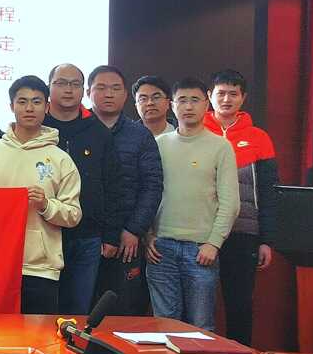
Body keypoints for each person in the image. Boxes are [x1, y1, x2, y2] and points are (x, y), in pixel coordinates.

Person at [0, 75, 82, 314]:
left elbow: (73, 215)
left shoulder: (61, 159)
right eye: (22, 101)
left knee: (37, 332)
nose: (29, 108)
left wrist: (46, 205)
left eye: (36, 102)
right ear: (11, 106)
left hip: (41, 267)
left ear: (47, 107)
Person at [145, 77, 239, 331]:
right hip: (161, 248)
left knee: (201, 327)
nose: (188, 106)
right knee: (164, 325)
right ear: (172, 105)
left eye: (195, 100)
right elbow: (148, 193)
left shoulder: (221, 147)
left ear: (206, 104)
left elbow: (230, 202)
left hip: (201, 250)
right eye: (182, 100)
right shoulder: (158, 144)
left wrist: (214, 243)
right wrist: (148, 234)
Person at [204, 68, 279, 346]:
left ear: (243, 98)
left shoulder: (259, 137)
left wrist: (266, 240)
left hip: (243, 232)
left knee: (239, 304)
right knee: (201, 305)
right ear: (209, 96)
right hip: (201, 232)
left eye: (233, 94)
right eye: (221, 93)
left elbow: (268, 193)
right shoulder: (196, 131)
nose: (226, 99)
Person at [44, 64, 123, 315]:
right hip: (43, 234)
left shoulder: (98, 131)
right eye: (61, 83)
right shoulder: (36, 127)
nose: (68, 90)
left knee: (78, 311)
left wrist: (111, 235)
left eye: (75, 84)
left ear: (83, 90)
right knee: (42, 310)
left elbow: (113, 185)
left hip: (87, 236)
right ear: (49, 87)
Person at [87, 65, 163, 316]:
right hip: (82, 235)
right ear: (88, 92)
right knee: (79, 307)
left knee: (124, 310)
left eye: (115, 88)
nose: (108, 94)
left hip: (126, 237)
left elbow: (152, 185)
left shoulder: (140, 135)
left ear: (125, 95)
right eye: (101, 88)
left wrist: (134, 229)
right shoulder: (79, 131)